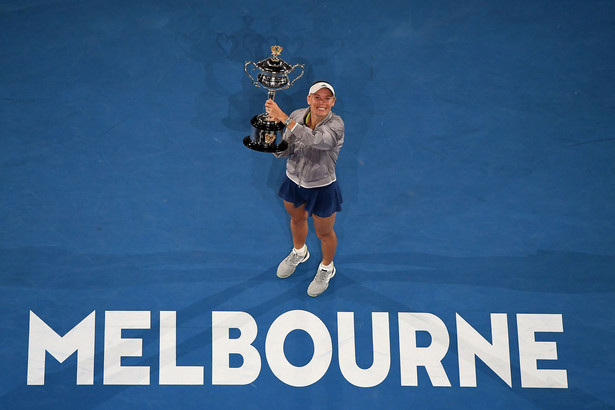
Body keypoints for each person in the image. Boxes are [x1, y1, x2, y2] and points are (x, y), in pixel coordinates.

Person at [264, 81, 344, 297]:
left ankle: (327, 267)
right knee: (297, 220)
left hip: (322, 188)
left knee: (324, 233)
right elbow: (287, 149)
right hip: (293, 182)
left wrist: (284, 119)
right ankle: (299, 253)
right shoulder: (297, 115)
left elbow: (317, 141)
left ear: (333, 102)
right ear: (308, 99)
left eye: (327, 98)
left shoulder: (336, 125)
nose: (322, 102)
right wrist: (271, 140)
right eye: (317, 97)